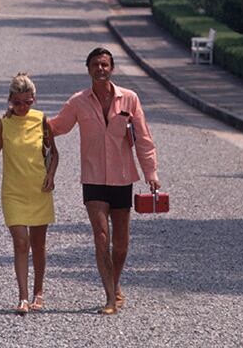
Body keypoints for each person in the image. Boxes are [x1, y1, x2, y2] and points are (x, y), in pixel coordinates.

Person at [48, 47, 159, 315]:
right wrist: (24, 118)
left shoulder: (130, 99)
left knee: (121, 242)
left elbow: (143, 138)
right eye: (96, 64)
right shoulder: (78, 102)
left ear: (112, 69)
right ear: (88, 69)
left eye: (105, 64)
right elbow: (57, 127)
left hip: (122, 178)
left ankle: (115, 283)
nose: (101, 68)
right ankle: (110, 297)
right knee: (101, 236)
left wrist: (151, 173)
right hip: (94, 178)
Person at [0, 72, 58, 314]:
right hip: (12, 192)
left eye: (27, 102)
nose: (22, 107)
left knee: (38, 244)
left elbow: (54, 153)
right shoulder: (1, 125)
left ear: (34, 99)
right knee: (21, 243)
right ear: (9, 100)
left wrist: (51, 176)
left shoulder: (42, 120)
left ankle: (39, 292)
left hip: (39, 190)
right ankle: (23, 297)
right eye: (17, 103)